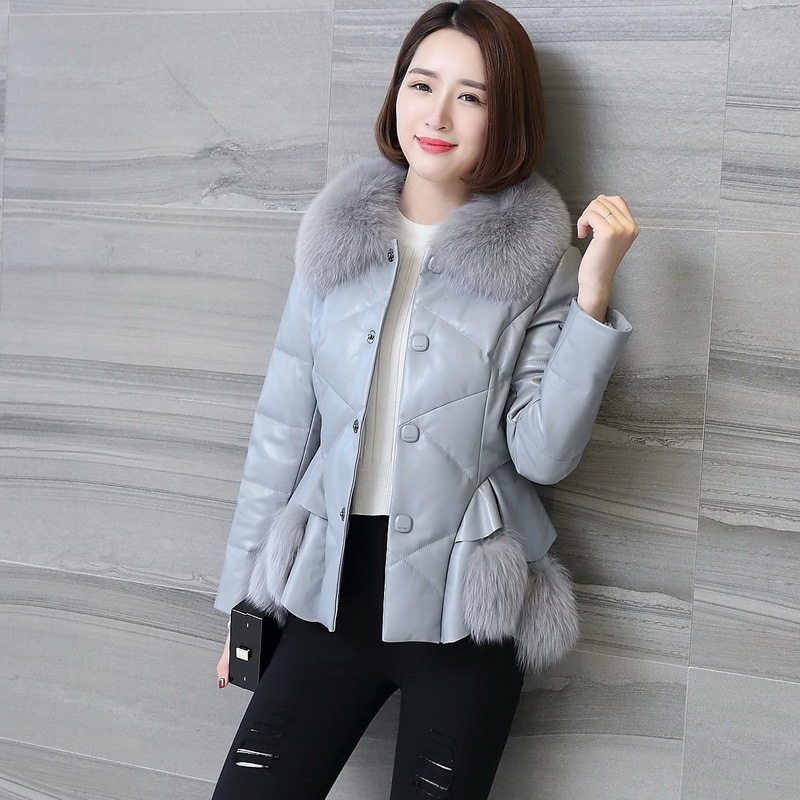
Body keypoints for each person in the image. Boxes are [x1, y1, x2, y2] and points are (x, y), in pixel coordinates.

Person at [210, 1, 637, 798]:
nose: (436, 116)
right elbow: (282, 431)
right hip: (325, 591)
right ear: (396, 93)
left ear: (507, 117)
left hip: (466, 615)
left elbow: (544, 453)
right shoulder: (332, 241)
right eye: (421, 84)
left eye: (470, 96)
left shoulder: (537, 261)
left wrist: (591, 297)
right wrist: (243, 606)